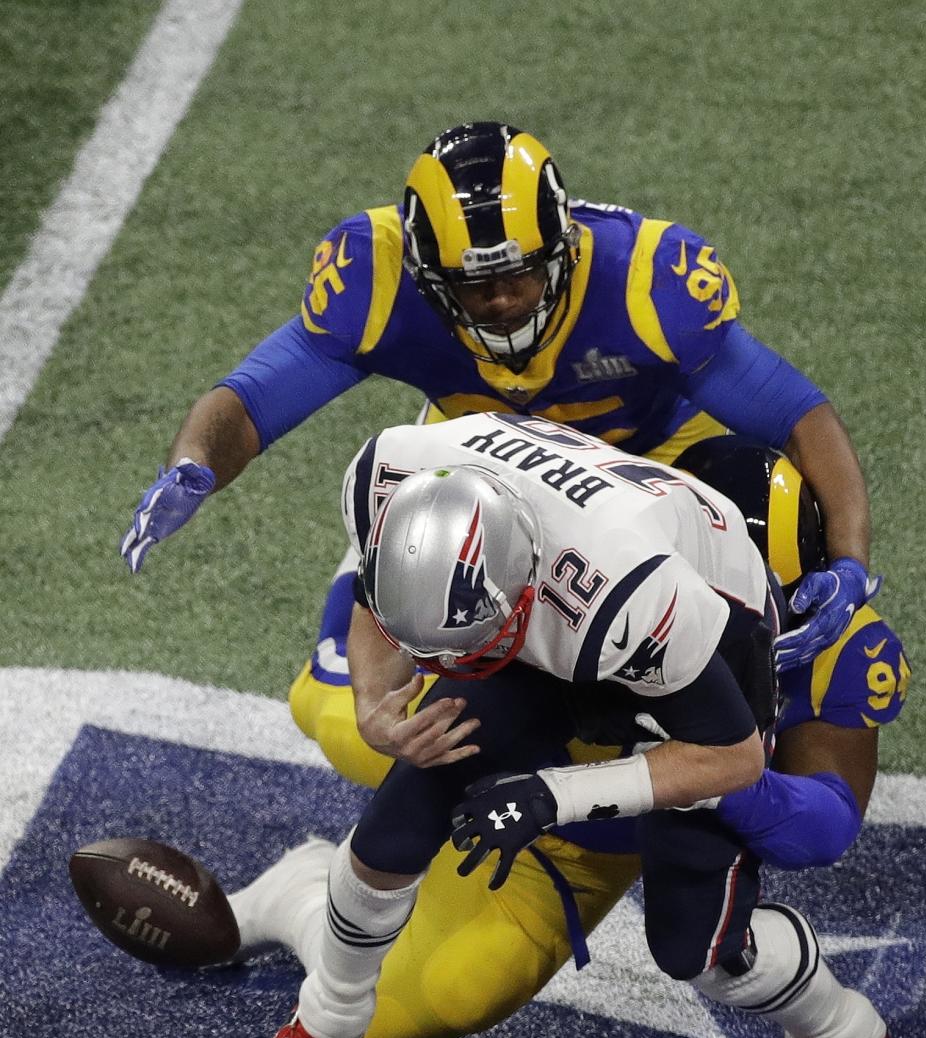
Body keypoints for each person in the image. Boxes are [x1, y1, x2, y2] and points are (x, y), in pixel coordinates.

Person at [230, 413, 899, 1038]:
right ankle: (323, 1023)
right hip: (566, 596)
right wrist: (371, 702)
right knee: (403, 811)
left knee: (699, 943)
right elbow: (376, 593)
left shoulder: (634, 599)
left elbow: (736, 762)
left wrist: (554, 794)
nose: (447, 664)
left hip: (687, 643)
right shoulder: (392, 472)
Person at [120, 120, 880, 678]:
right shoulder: (376, 280)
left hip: (656, 459)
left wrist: (848, 561)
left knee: (771, 537)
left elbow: (799, 415)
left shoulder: (648, 283)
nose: (505, 299)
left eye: (520, 273)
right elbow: (249, 402)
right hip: (495, 467)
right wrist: (194, 464)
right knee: (342, 716)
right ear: (424, 272)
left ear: (564, 245)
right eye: (474, 284)